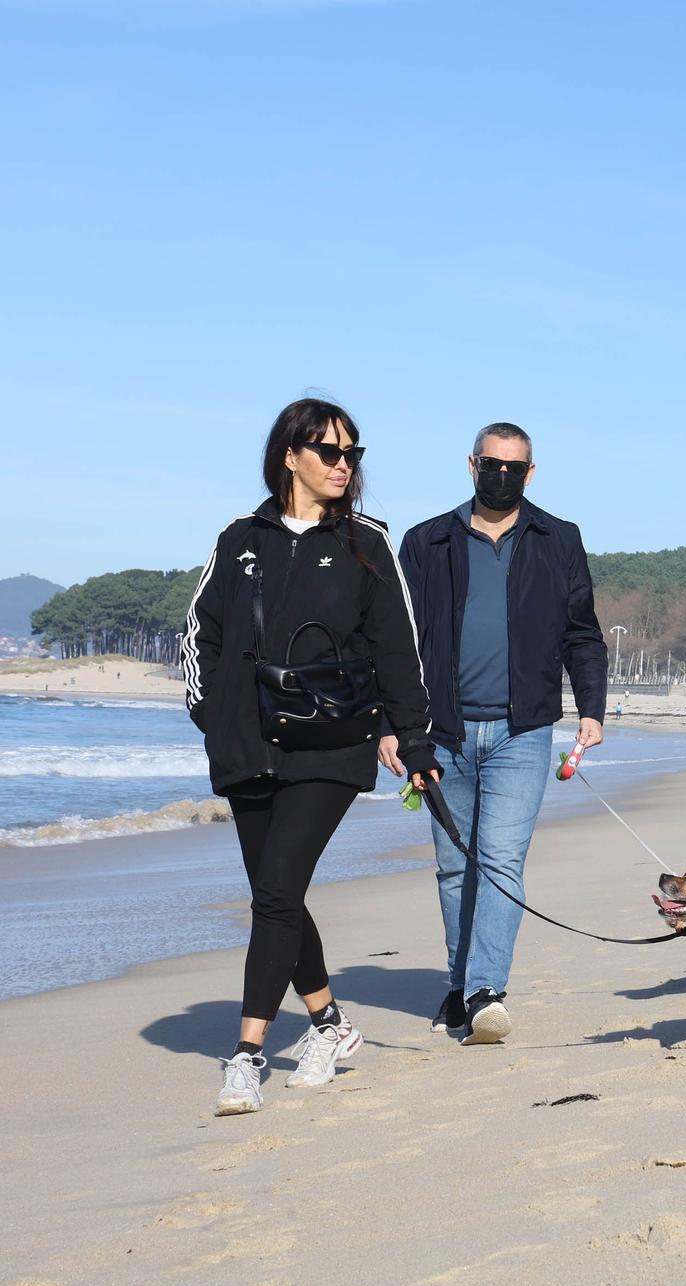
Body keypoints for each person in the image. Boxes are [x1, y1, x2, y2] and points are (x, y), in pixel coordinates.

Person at [180, 398, 438, 1116]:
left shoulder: (366, 542)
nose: (343, 464)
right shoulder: (239, 539)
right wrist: (214, 717)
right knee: (279, 892)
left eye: (352, 453)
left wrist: (412, 737)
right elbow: (199, 632)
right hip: (247, 745)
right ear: (290, 454)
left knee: (274, 891)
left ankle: (247, 1053)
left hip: (332, 743)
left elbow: (398, 649)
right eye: (329, 451)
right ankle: (329, 1025)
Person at [392, 422, 606, 1045]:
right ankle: (459, 988)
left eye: (516, 467)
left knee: (501, 862)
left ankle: (487, 990)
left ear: (531, 473)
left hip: (523, 732)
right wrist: (394, 728)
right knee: (453, 867)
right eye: (493, 464)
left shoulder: (557, 540)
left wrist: (590, 706)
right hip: (441, 734)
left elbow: (581, 633)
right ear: (472, 464)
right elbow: (394, 641)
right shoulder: (426, 541)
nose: (503, 475)